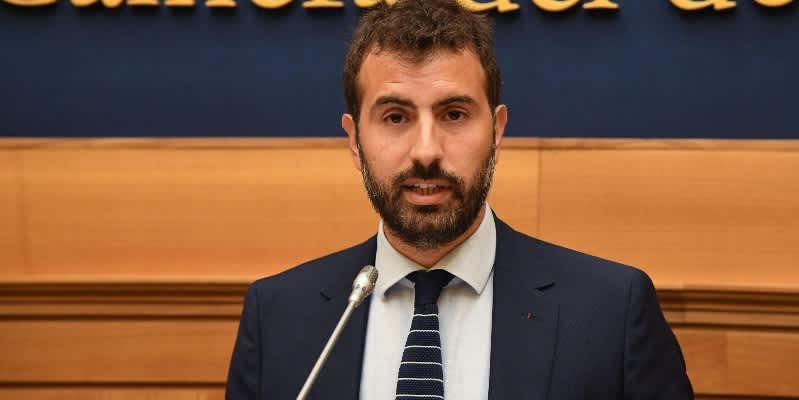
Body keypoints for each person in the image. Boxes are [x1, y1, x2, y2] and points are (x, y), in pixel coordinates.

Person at [226, 0, 694, 399]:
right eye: (395, 117)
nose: (426, 151)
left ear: (497, 131)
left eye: (453, 114)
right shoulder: (277, 318)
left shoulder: (611, 313)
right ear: (354, 140)